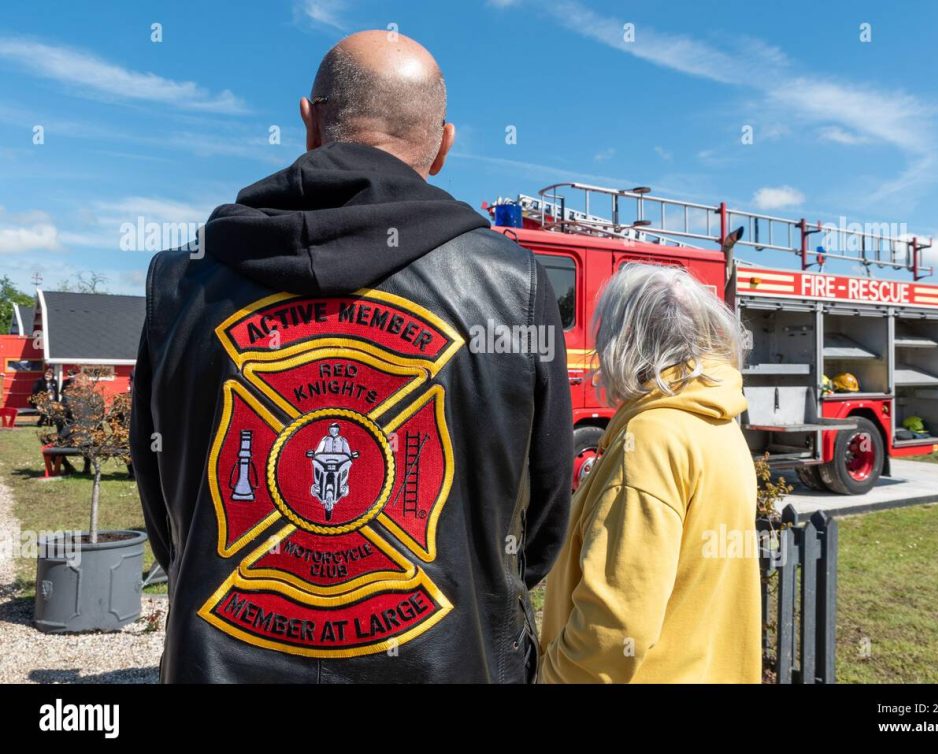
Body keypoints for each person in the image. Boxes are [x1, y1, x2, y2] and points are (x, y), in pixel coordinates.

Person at [130, 30, 572, 683]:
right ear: (444, 145)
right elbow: (539, 526)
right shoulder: (512, 286)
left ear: (308, 123)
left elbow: (166, 506)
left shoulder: (181, 283)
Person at [538, 263, 761, 683]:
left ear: (621, 342)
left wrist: (551, 677)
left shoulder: (650, 439)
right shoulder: (718, 422)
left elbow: (614, 628)